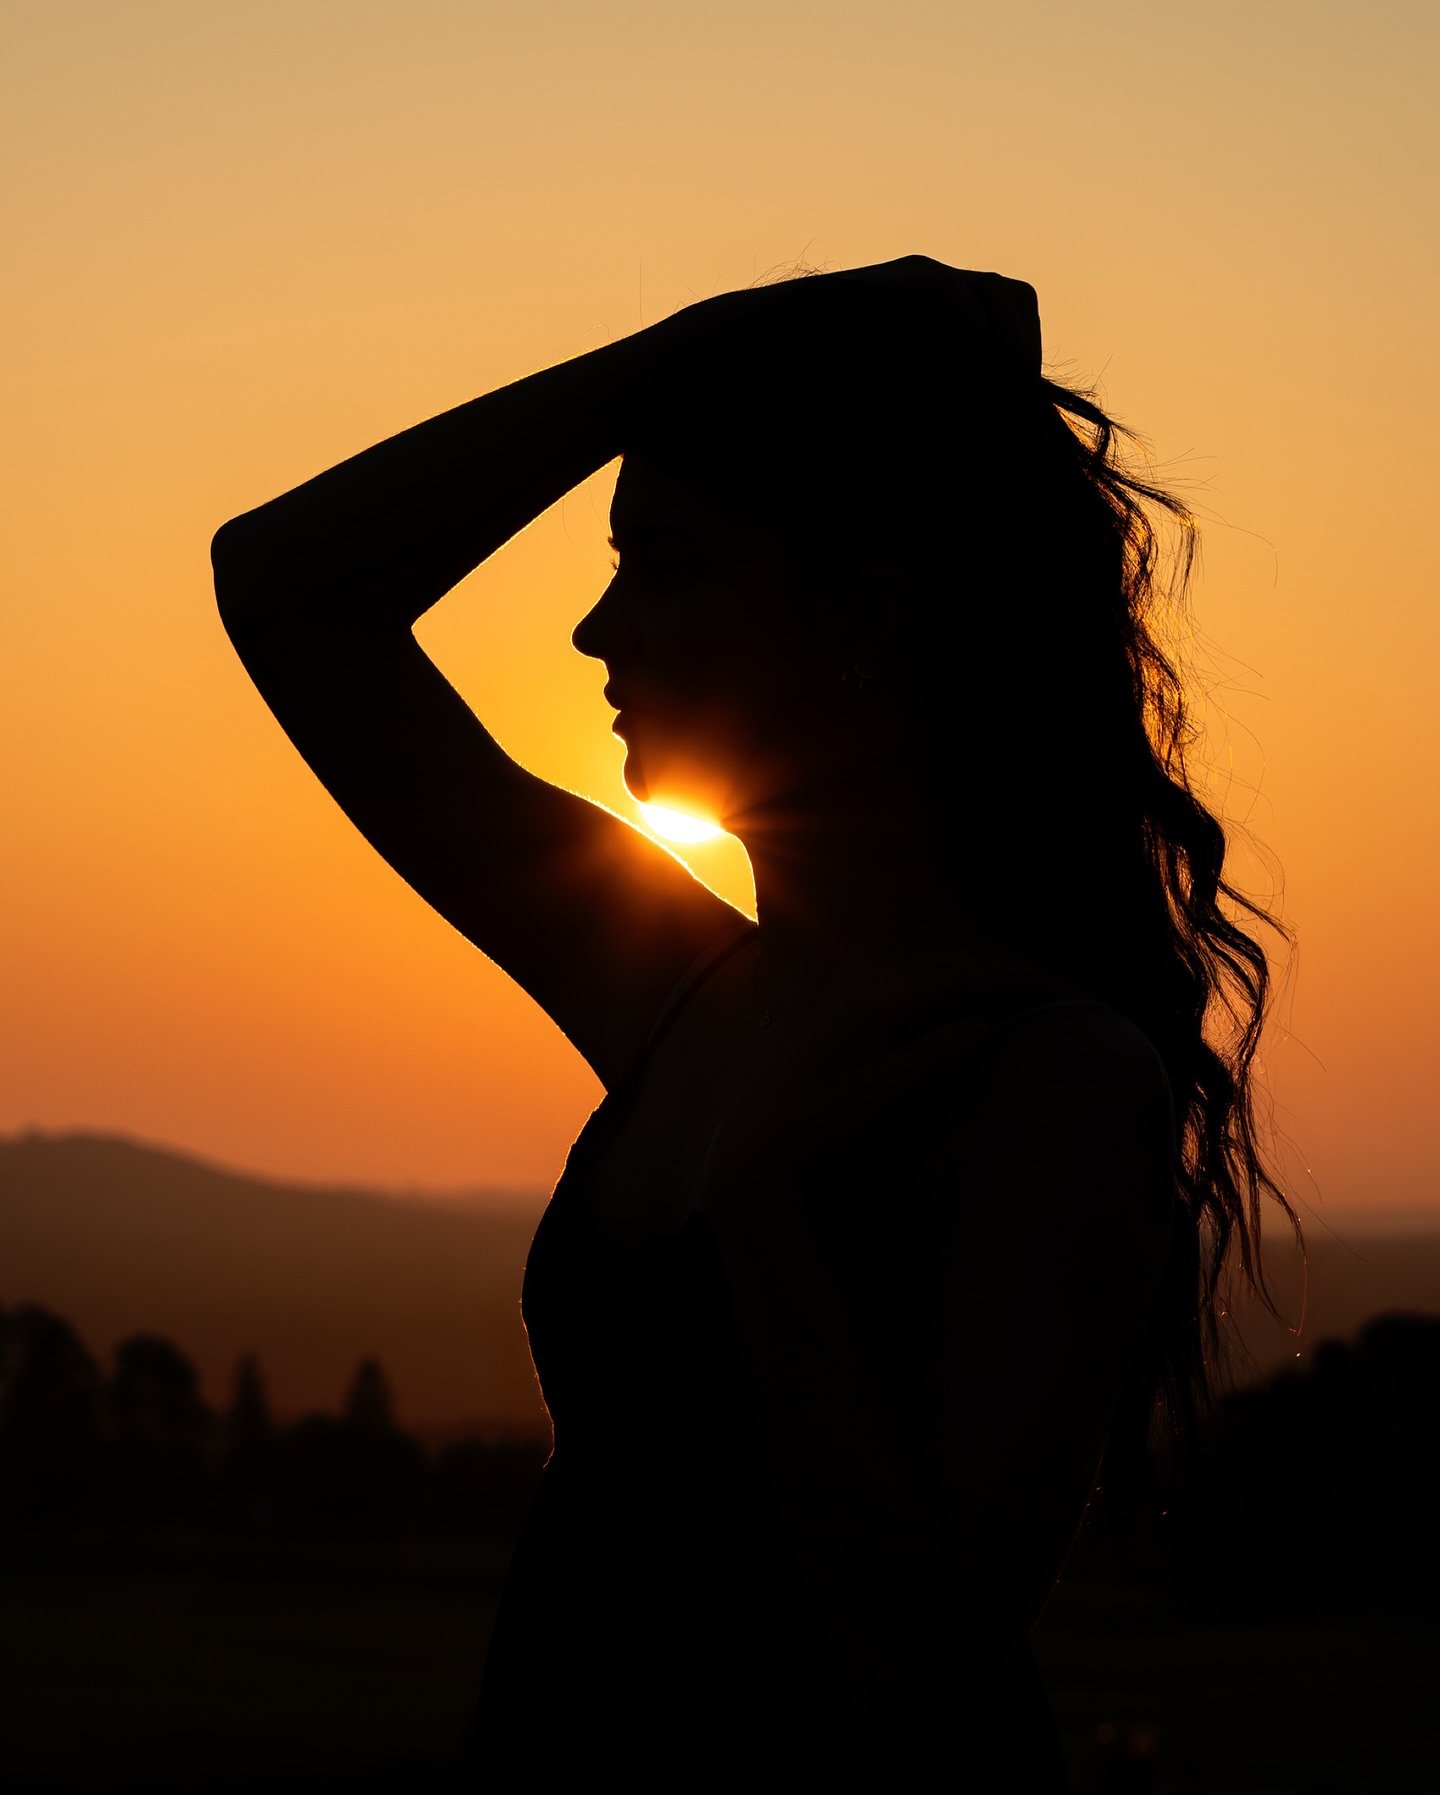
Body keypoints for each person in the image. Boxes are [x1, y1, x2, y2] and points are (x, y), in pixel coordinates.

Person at [211, 255, 1301, 1788]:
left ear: (860, 616)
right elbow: (284, 591)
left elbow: (923, 1670)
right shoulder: (674, 977)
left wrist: (770, 1204)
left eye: (663, 563)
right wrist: (678, 355)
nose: (596, 630)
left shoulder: (1050, 1076)